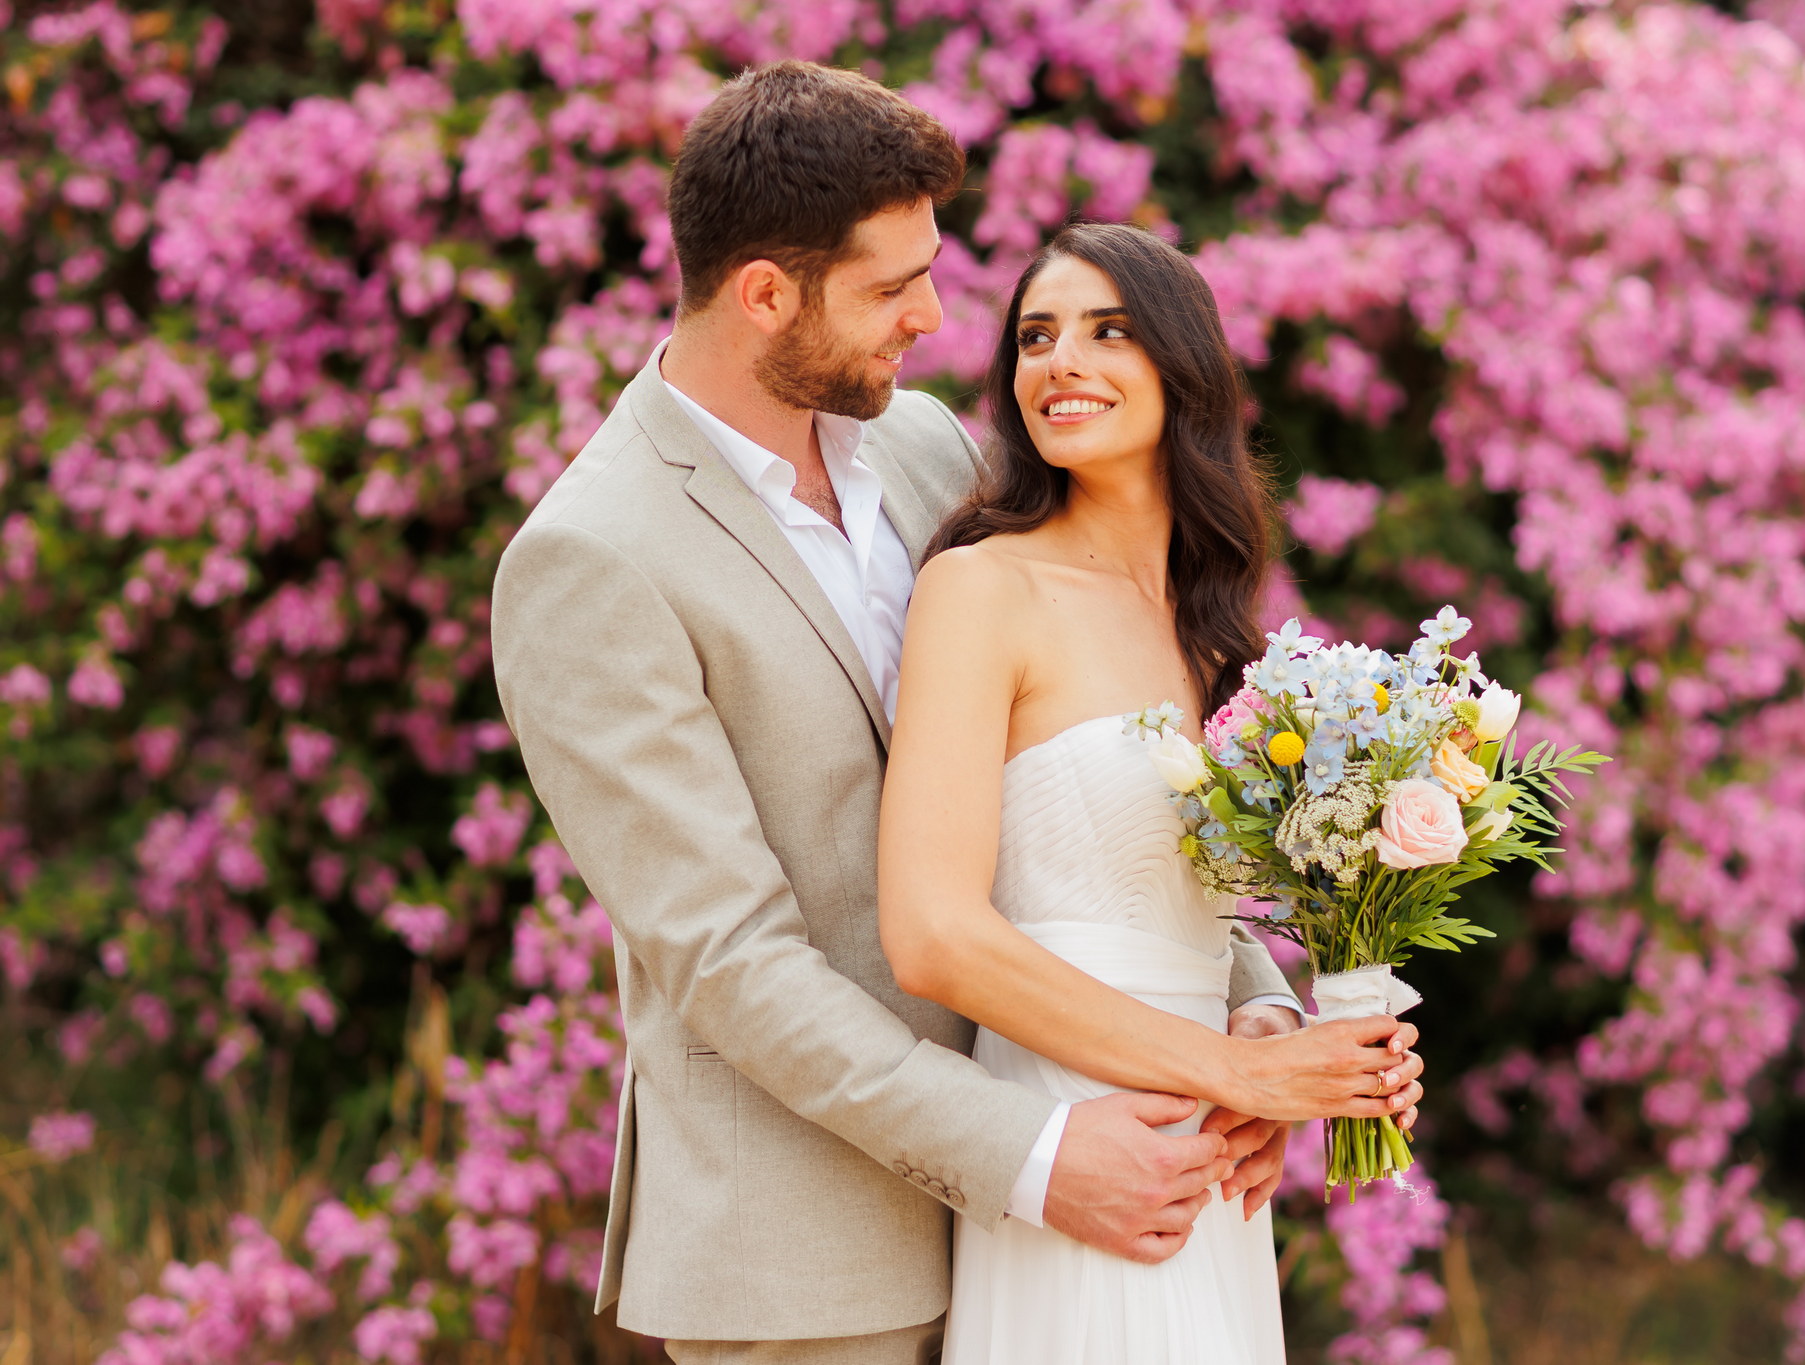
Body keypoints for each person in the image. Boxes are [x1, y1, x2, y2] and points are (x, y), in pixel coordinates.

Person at [492, 63, 1420, 1364]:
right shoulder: (594, 559)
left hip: (1096, 1186)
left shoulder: (921, 448)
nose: (935, 317)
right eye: (892, 285)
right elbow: (730, 961)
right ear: (766, 294)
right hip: (817, 1259)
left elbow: (1085, 795)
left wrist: (1254, 1012)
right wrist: (1035, 1153)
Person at [875, 222, 1424, 1365]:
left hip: (1209, 1152)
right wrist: (1234, 1070)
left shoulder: (1215, 635)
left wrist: (1286, 1041)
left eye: (1105, 330)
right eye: (1034, 336)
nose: (1058, 361)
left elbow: (1198, 917)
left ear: (1185, 370)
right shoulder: (981, 588)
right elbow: (931, 935)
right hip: (1078, 1129)